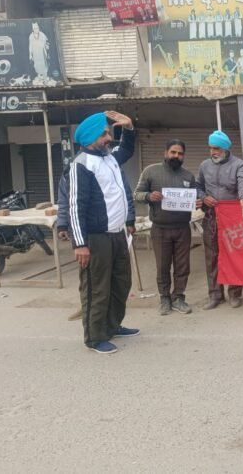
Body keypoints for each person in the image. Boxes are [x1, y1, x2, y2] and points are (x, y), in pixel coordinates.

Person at [67, 111, 138, 354]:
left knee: (121, 283)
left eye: (109, 133)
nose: (109, 138)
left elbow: (126, 149)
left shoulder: (109, 157)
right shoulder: (81, 165)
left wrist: (129, 128)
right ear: (91, 138)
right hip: (96, 238)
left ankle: (112, 325)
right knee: (96, 288)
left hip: (117, 233)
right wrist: (79, 244)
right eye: (104, 134)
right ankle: (95, 337)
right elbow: (75, 206)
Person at [134, 140, 203, 316]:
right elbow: (136, 194)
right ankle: (164, 298)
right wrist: (149, 196)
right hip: (160, 228)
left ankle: (178, 297)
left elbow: (195, 197)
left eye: (180, 154)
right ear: (166, 153)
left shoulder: (188, 176)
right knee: (163, 266)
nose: (176, 156)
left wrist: (197, 202)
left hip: (182, 228)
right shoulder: (151, 171)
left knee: (182, 266)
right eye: (173, 152)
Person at [197, 130, 243, 310]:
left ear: (226, 148)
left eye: (217, 148)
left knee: (233, 257)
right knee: (211, 257)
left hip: (232, 220)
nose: (213, 152)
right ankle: (215, 295)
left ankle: (235, 294)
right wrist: (203, 197)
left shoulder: (239, 165)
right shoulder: (204, 165)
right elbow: (197, 186)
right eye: (211, 148)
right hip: (211, 218)